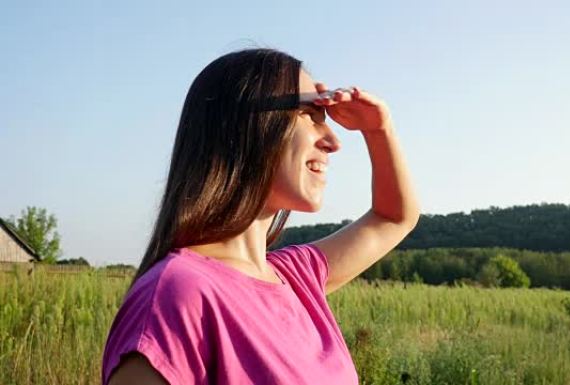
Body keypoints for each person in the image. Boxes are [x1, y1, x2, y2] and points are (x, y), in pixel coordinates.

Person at [102, 47, 420, 385]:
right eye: (309, 114)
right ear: (245, 125)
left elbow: (394, 217)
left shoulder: (298, 279)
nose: (332, 141)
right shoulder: (178, 295)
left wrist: (378, 129)